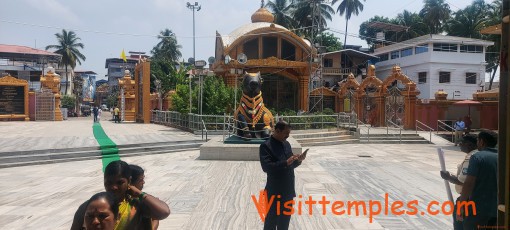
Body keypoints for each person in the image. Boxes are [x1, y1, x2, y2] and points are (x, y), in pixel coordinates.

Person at [71, 160, 170, 230]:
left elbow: (164, 212)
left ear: (129, 181)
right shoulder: (90, 206)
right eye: (109, 183)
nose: (114, 187)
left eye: (119, 182)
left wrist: (140, 193)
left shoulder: (135, 205)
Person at [259, 120, 307, 230]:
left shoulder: (286, 144)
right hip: (274, 191)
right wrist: (286, 162)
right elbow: (266, 167)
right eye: (286, 133)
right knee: (271, 220)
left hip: (288, 190)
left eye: (289, 133)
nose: (288, 136)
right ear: (277, 131)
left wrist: (298, 161)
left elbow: (290, 166)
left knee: (285, 221)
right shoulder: (266, 146)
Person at [457, 130, 498, 229]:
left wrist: (461, 205)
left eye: (478, 141)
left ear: (482, 142)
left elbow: (469, 182)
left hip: (477, 208)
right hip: (496, 209)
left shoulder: (477, 157)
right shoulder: (501, 157)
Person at [440, 134, 478, 230]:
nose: (460, 144)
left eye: (462, 142)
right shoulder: (479, 155)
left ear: (470, 145)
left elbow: (465, 182)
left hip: (467, 198)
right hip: (479, 197)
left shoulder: (471, 157)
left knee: (460, 225)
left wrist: (448, 177)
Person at [130, 164, 159, 230]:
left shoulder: (144, 199)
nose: (143, 182)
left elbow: (155, 219)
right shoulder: (127, 201)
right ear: (131, 182)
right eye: (141, 180)